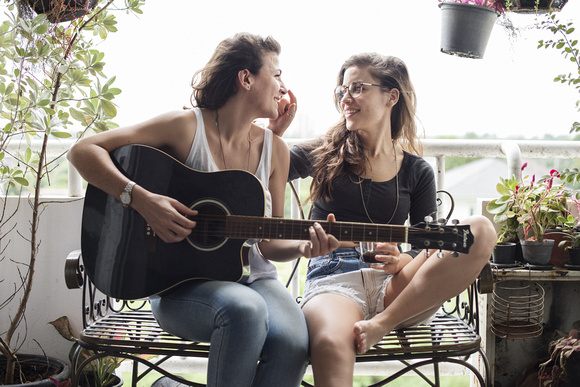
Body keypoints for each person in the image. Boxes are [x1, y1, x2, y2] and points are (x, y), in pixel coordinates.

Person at [67, 32, 339, 387]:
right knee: (244, 310)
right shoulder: (185, 128)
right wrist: (142, 200)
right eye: (276, 75)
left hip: (254, 280)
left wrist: (304, 246)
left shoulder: (276, 150)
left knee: (293, 342)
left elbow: (268, 243)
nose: (284, 89)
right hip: (179, 286)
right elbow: (83, 151)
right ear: (246, 78)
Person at [278, 53, 496, 387]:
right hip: (334, 280)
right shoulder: (323, 152)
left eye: (357, 88)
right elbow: (260, 168)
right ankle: (377, 324)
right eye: (342, 91)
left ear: (391, 96)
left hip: (399, 289)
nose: (345, 99)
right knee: (331, 345)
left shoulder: (416, 170)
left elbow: (425, 246)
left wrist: (403, 258)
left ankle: (382, 324)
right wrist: (274, 134)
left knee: (479, 229)